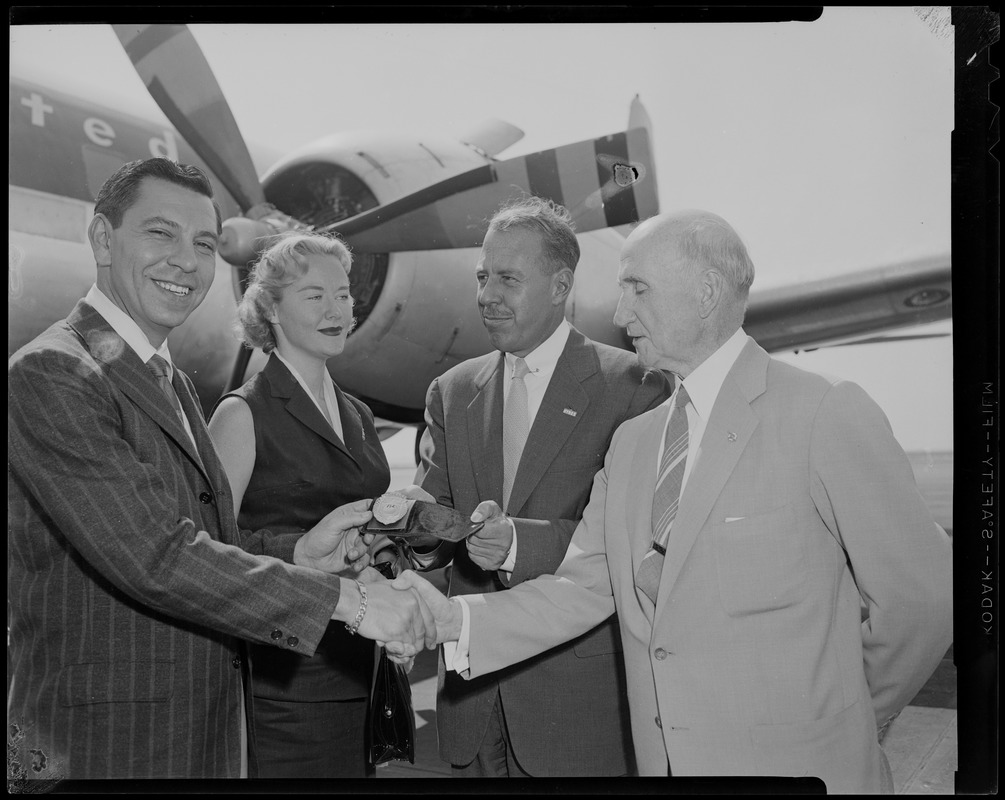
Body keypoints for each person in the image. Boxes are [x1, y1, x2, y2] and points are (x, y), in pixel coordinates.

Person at [397, 209, 954, 793]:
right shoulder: (635, 443)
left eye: (637, 288)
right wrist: (449, 619)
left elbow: (922, 601)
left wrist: (842, 713)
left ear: (706, 292)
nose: (618, 314)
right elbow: (584, 585)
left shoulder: (824, 413)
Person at [7, 158, 427, 781]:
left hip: (198, 731)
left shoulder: (167, 379)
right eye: (160, 233)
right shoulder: (55, 373)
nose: (186, 260)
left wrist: (303, 553)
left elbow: (207, 541)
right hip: (105, 742)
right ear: (100, 238)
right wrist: (350, 602)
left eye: (204, 242)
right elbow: (154, 554)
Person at [413, 196, 669, 777]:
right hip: (471, 702)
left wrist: (518, 545)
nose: (487, 296)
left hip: (576, 707)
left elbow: (637, 547)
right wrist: (401, 531)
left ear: (560, 286)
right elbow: (435, 528)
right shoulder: (451, 390)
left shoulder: (635, 387)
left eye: (507, 278)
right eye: (482, 277)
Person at [208, 231, 416, 778]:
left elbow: (366, 539)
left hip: (360, 670)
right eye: (314, 295)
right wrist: (299, 550)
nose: (337, 310)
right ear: (271, 309)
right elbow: (206, 550)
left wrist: (397, 551)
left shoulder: (359, 415)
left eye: (344, 294)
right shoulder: (242, 415)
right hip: (284, 685)